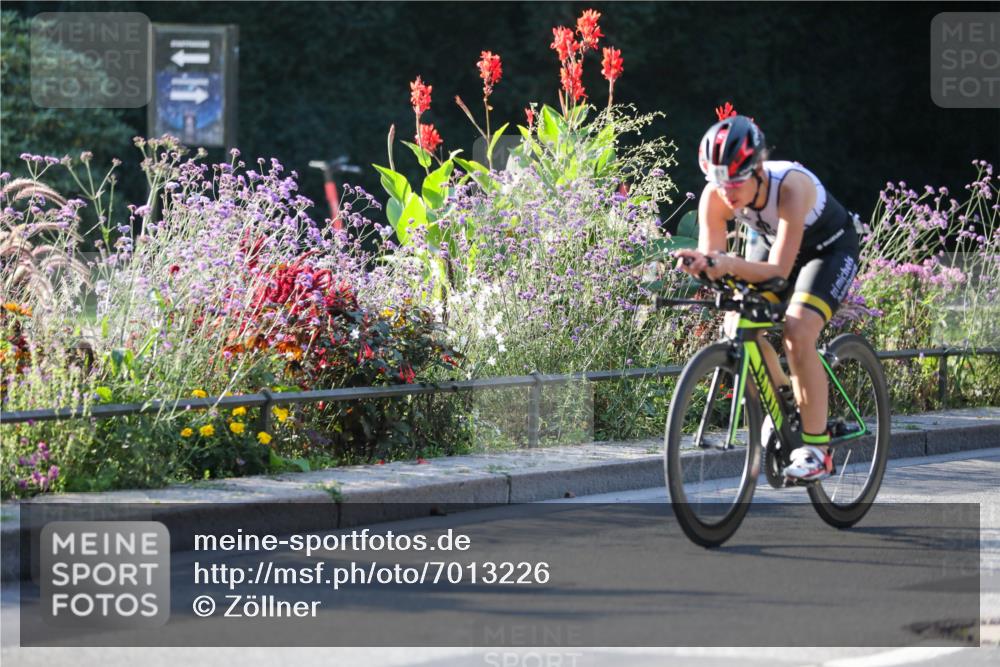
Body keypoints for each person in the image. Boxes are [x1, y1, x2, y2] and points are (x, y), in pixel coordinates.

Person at [675, 111, 861, 481]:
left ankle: (818, 450)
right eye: (717, 180)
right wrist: (700, 264)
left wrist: (723, 262)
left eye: (735, 181)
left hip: (828, 250)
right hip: (776, 246)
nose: (726, 191)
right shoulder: (715, 196)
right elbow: (717, 260)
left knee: (798, 331)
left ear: (758, 169)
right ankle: (786, 401)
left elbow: (777, 271)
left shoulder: (790, 186)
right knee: (736, 324)